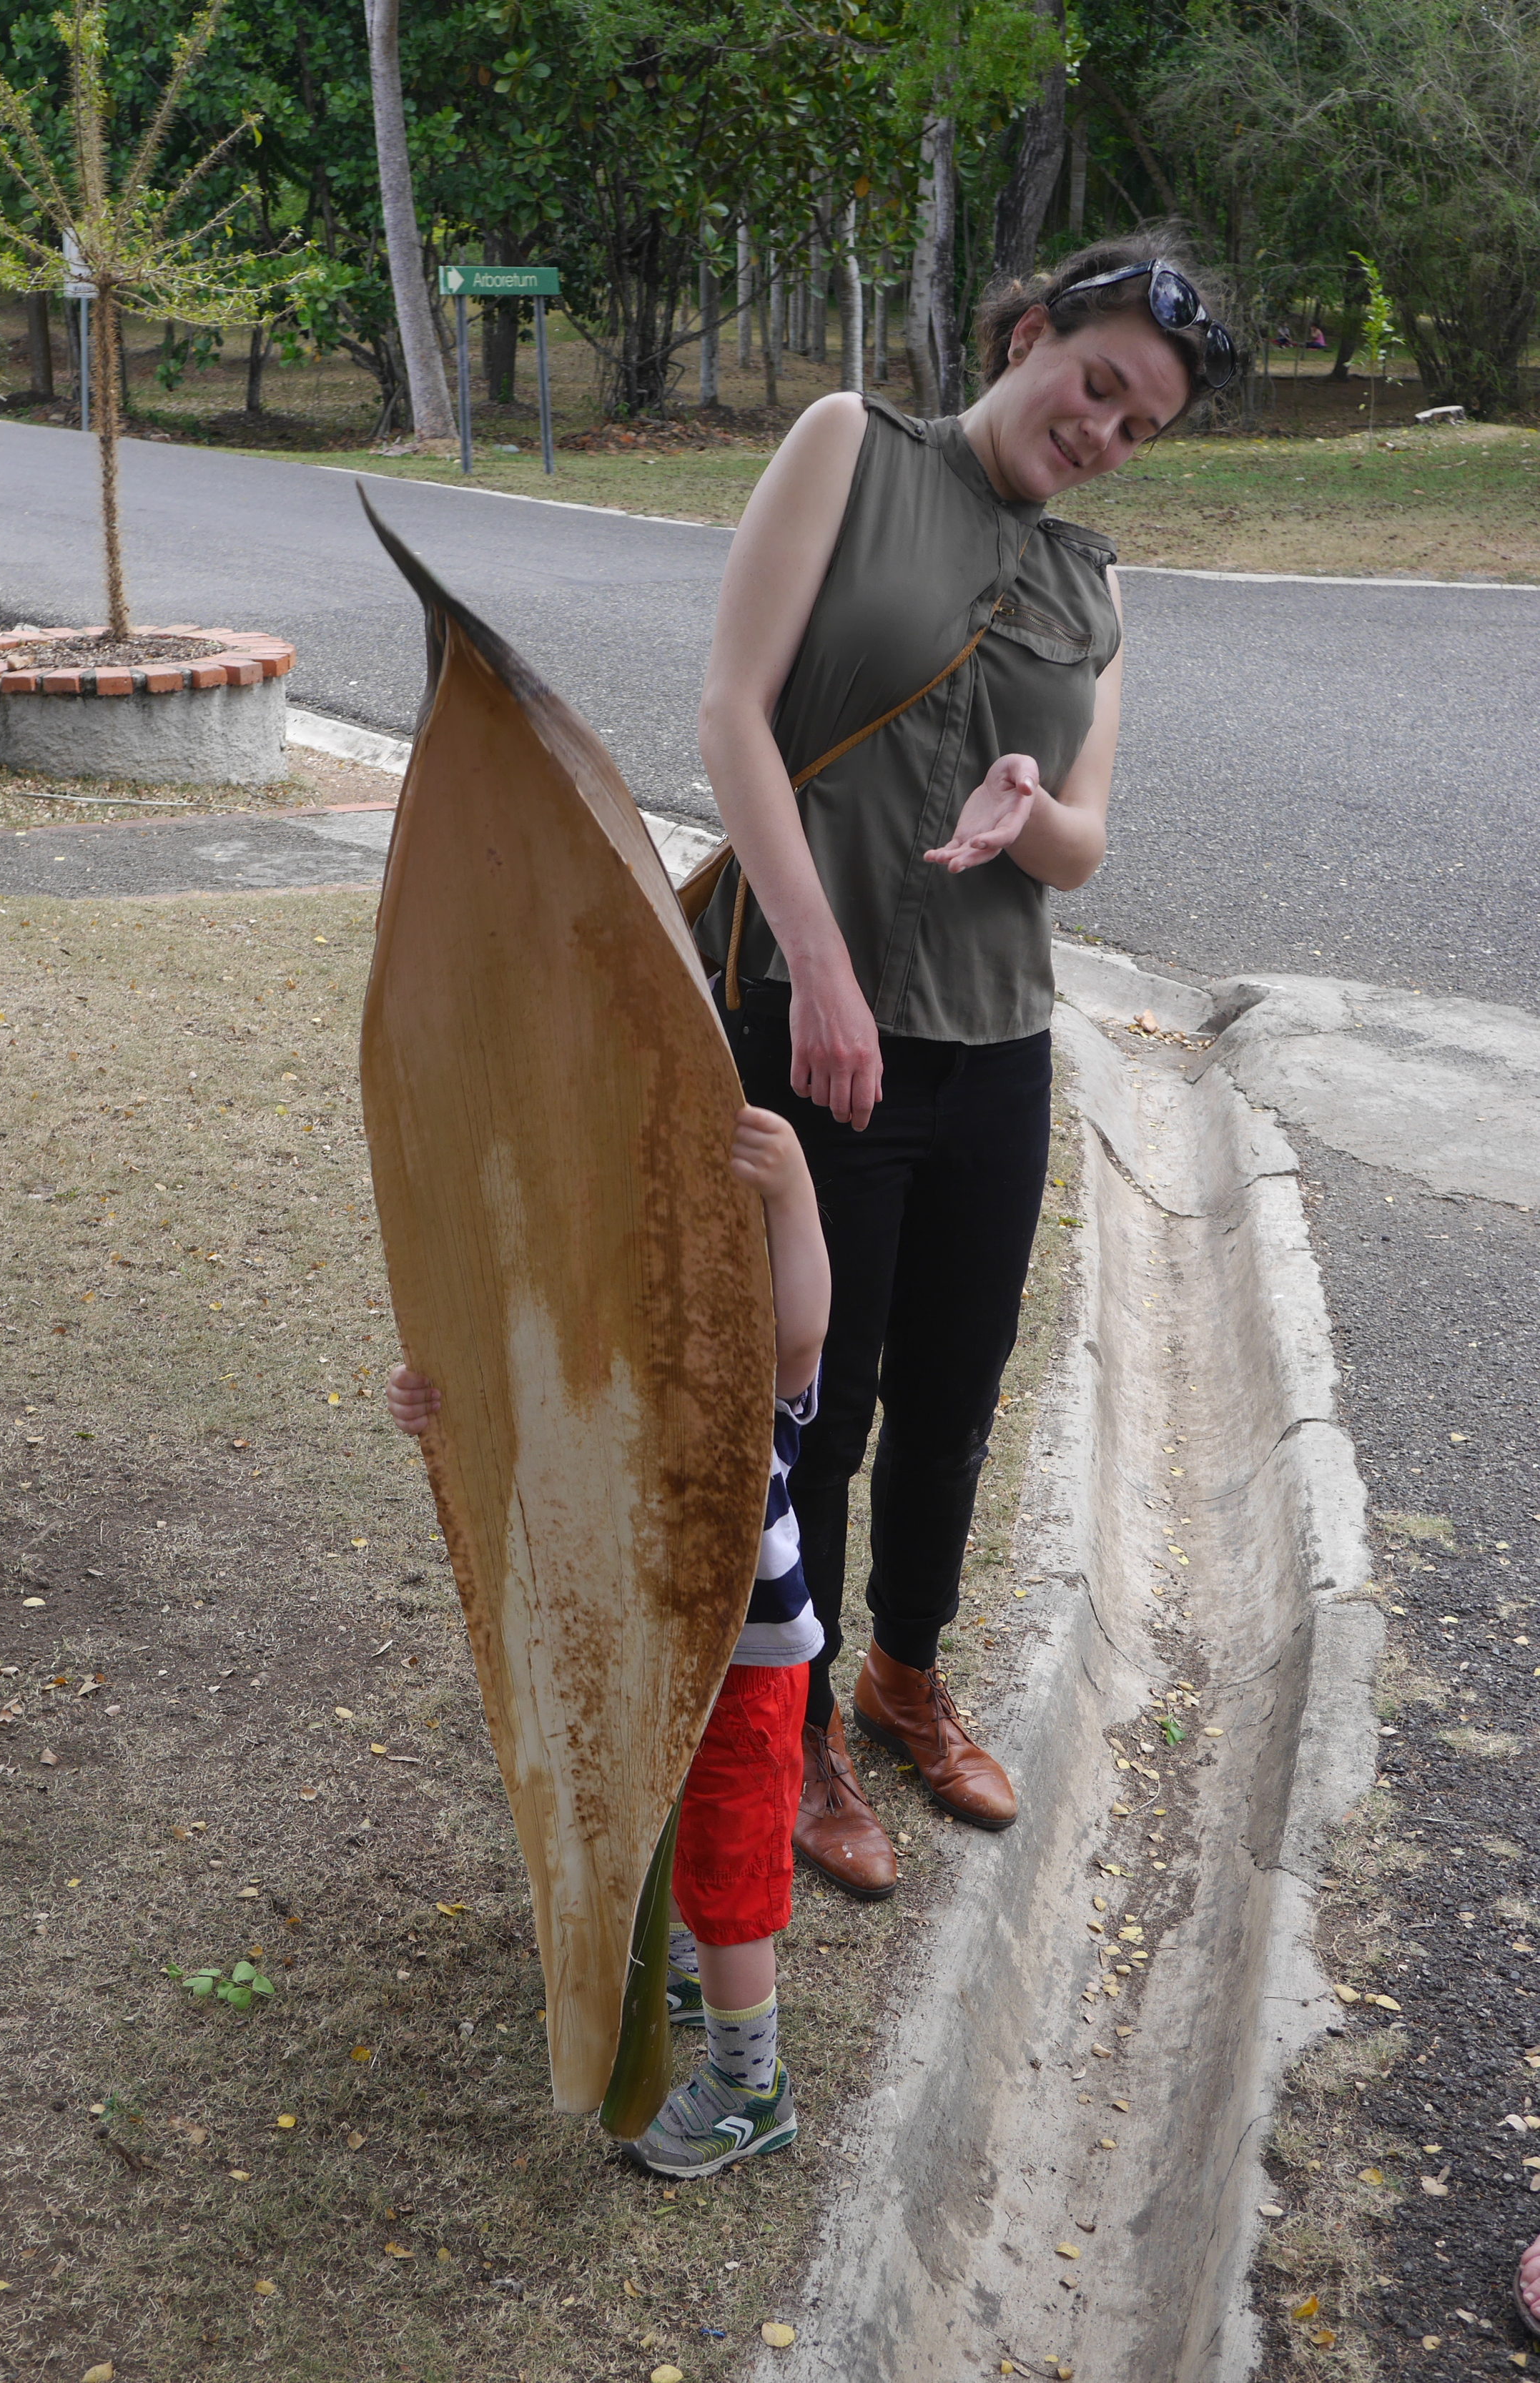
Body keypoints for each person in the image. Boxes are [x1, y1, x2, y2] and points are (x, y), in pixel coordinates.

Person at [691, 236, 1235, 1899]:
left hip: (995, 1042)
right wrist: (828, 973)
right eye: (1096, 387)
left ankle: (903, 1675)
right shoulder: (849, 447)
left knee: (949, 1396)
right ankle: (792, 1738)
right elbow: (732, 713)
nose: (1102, 434)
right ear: (1027, 336)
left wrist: (1027, 801)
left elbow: (1079, 848)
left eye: (1139, 426)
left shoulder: (1097, 585)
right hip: (812, 1019)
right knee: (813, 1399)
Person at [388, 1103, 831, 2179]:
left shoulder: (732, 1357)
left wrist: (793, 1189)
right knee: (641, 1807)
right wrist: (431, 1397)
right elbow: (500, 1401)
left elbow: (805, 1331)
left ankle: (747, 2084)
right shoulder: (584, 1359)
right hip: (634, 1647)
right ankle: (677, 1967)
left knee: (730, 1868)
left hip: (746, 1656)